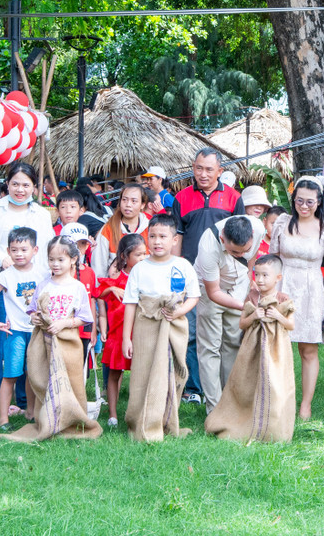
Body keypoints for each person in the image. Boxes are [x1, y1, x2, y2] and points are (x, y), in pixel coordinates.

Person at [0, 162, 53, 419]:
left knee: (29, 342)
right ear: (7, 184)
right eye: (15, 183)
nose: (20, 189)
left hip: (31, 288)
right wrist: (1, 259)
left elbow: (47, 252)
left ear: (34, 187)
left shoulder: (41, 215)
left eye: (26, 185)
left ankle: (26, 402)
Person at [172, 147, 244, 404]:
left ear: (220, 171)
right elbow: (177, 236)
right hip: (192, 276)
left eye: (209, 169)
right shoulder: (180, 198)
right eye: (198, 168)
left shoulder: (234, 198)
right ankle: (193, 388)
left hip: (226, 277)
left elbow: (241, 239)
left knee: (227, 336)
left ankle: (227, 389)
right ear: (193, 168)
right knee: (191, 333)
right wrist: (178, 273)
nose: (203, 174)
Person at [268, 178, 324, 420]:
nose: (304, 206)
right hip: (283, 284)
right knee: (277, 346)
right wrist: (270, 290)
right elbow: (273, 258)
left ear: (319, 202)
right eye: (299, 200)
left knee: (308, 350)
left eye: (310, 201)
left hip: (312, 290)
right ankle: (277, 400)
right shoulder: (282, 223)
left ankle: (305, 405)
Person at [121, 215, 199, 441]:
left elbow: (194, 296)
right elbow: (130, 304)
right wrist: (127, 338)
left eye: (163, 237)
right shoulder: (140, 269)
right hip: (146, 326)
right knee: (143, 372)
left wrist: (179, 311)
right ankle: (140, 419)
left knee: (171, 371)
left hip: (174, 326)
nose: (157, 241)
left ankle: (165, 420)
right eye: (152, 236)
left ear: (174, 240)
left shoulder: (182, 265)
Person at [204, 254, 297, 443]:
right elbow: (242, 323)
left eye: (265, 275)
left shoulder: (283, 299)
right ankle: (243, 422)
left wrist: (277, 316)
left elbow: (291, 325)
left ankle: (273, 428)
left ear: (278, 278)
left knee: (275, 385)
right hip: (251, 350)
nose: (260, 280)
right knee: (248, 385)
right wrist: (254, 316)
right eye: (257, 275)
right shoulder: (252, 297)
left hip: (275, 350)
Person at [194, 214, 266, 413]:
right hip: (210, 291)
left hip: (238, 288)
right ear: (222, 238)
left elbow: (250, 260)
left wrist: (250, 283)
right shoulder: (208, 246)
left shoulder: (258, 228)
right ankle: (215, 409)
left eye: (243, 250)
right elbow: (214, 292)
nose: (238, 255)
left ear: (251, 236)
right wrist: (244, 307)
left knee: (234, 343)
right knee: (210, 348)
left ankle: (231, 403)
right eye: (233, 251)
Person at [0, 227, 45, 428]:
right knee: (11, 375)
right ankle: (3, 418)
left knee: (33, 373)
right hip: (15, 332)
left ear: (35, 250)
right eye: (14, 250)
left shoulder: (43, 273)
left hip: (36, 332)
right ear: (8, 251)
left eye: (24, 250)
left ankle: (31, 413)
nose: (19, 254)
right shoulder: (6, 275)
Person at [26, 235, 95, 411]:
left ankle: (72, 415)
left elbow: (85, 317)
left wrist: (65, 323)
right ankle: (47, 415)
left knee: (70, 377)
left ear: (73, 259)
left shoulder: (76, 287)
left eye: (60, 260)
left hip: (68, 341)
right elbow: (33, 310)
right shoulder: (43, 285)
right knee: (44, 376)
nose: (55, 264)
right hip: (44, 340)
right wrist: (33, 317)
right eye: (51, 259)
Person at [97, 232, 145, 426]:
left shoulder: (146, 277)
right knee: (114, 374)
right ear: (125, 256)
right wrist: (111, 289)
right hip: (118, 336)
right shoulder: (116, 279)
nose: (143, 258)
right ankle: (113, 414)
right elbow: (98, 292)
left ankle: (137, 413)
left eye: (145, 254)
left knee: (140, 374)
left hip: (139, 334)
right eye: (138, 255)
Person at [93, 182, 150, 283]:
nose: (128, 205)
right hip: (116, 289)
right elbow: (99, 265)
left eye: (134, 201)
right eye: (124, 200)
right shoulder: (109, 228)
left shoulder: (150, 227)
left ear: (142, 205)